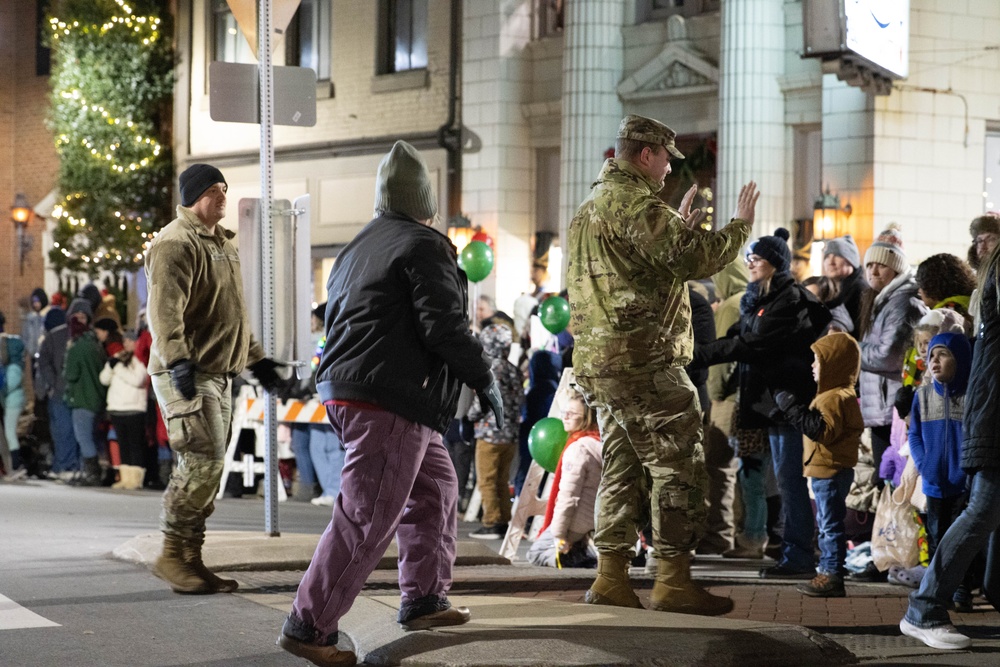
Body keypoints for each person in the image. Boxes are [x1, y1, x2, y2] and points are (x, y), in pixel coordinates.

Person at [276, 141, 500, 666]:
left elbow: (336, 322)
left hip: (352, 393)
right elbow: (442, 326)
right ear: (423, 199)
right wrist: (482, 376)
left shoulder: (357, 247)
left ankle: (424, 598)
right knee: (367, 515)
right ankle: (309, 625)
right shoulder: (424, 244)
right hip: (392, 399)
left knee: (438, 485)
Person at [567, 113, 758, 616]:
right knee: (678, 465)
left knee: (622, 467)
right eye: (666, 160)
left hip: (601, 364)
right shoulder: (634, 203)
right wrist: (740, 226)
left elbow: (646, 266)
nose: (670, 170)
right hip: (644, 361)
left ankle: (611, 578)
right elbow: (695, 259)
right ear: (646, 154)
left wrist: (678, 225)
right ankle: (672, 580)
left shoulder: (589, 206)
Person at [145, 163, 287, 595]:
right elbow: (164, 311)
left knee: (210, 467)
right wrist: (179, 360)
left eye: (225, 188)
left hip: (218, 374)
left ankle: (191, 559)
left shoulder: (222, 244)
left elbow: (233, 316)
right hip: (188, 372)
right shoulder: (175, 242)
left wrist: (257, 360)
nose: (223, 196)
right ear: (193, 196)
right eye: (213, 189)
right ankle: (172, 555)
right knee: (202, 464)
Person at [698, 228, 831, 580]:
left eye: (755, 259)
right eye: (749, 259)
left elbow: (750, 344)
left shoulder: (786, 301)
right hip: (772, 402)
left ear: (774, 264)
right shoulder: (761, 299)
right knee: (779, 480)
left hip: (787, 402)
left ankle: (800, 555)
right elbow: (740, 338)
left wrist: (697, 357)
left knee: (789, 481)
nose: (750, 264)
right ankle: (795, 551)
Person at [899, 239, 1000, 649]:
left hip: (990, 411)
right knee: (981, 512)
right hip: (994, 414)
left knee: (986, 514)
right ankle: (924, 608)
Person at [771, 332, 863, 598]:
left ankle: (831, 574)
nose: (812, 366)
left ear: (834, 364)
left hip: (830, 469)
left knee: (829, 524)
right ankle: (828, 570)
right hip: (828, 468)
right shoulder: (836, 394)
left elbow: (822, 431)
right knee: (827, 522)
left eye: (818, 361)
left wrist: (792, 409)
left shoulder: (834, 396)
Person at [907, 332, 977, 612]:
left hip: (964, 482)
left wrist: (969, 469)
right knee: (937, 538)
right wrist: (925, 465)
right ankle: (939, 591)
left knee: (963, 539)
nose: (934, 361)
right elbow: (915, 435)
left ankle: (962, 588)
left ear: (960, 360)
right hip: (934, 482)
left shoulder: (972, 396)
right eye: (931, 355)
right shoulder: (922, 397)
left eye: (943, 354)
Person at [858, 224, 927, 488]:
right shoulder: (883, 300)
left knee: (894, 483)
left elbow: (888, 356)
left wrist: (852, 350)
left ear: (897, 268)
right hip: (882, 407)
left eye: (882, 265)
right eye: (870, 264)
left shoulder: (902, 302)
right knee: (885, 481)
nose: (873, 271)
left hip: (892, 411)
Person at [527, 392, 602, 568]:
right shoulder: (600, 444)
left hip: (576, 523)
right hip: (596, 520)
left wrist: (559, 534)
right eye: (564, 412)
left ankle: (579, 554)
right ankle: (584, 549)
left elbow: (569, 497)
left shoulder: (577, 449)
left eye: (572, 414)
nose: (565, 418)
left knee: (535, 553)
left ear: (586, 418)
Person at [467, 324, 523, 539]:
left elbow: (482, 402)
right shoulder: (512, 369)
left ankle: (491, 521)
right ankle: (503, 519)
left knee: (487, 479)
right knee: (501, 479)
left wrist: (471, 417)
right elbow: (519, 399)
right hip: (510, 435)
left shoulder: (488, 369)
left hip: (489, 435)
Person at [99, 330, 149, 490]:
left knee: (135, 445)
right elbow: (104, 379)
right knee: (123, 445)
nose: (127, 344)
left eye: (130, 341)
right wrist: (109, 366)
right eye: (125, 341)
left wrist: (118, 368)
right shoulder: (118, 357)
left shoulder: (140, 359)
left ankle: (136, 479)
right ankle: (125, 478)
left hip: (134, 408)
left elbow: (137, 379)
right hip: (117, 408)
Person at [64, 305, 107, 486]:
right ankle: (89, 472)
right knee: (90, 436)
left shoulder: (76, 348)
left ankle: (92, 474)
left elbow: (71, 375)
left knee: (83, 437)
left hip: (82, 398)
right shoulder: (96, 346)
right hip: (96, 397)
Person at [36, 307, 76, 479]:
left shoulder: (50, 338)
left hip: (58, 393)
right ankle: (71, 465)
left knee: (60, 431)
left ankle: (61, 466)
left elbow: (43, 364)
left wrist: (52, 383)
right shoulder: (74, 334)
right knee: (72, 431)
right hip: (73, 391)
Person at [821, 235, 868, 340]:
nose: (830, 261)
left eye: (837, 255)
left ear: (851, 261)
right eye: (827, 256)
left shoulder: (860, 290)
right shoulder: (832, 288)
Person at [0, 322, 27, 480]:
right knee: (8, 434)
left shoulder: (13, 368)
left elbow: (9, 385)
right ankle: (12, 466)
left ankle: (15, 466)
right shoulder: (13, 367)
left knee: (10, 433)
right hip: (10, 402)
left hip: (12, 402)